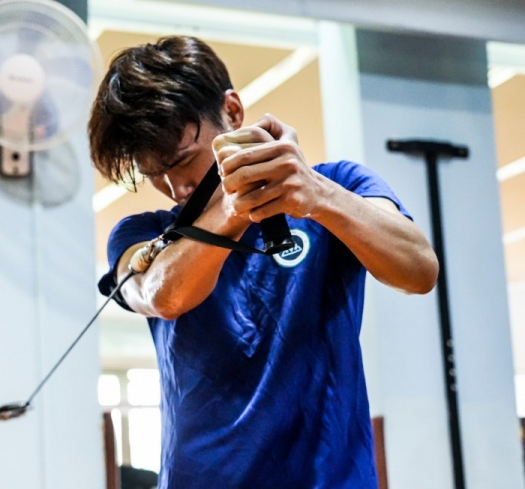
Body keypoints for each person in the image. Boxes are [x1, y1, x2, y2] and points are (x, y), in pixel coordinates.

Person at [89, 36, 438, 488]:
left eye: (183, 160)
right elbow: (162, 296)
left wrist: (317, 195)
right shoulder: (141, 233)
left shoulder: (338, 184)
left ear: (232, 112)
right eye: (155, 173)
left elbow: (419, 270)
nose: (176, 188)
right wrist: (238, 205)